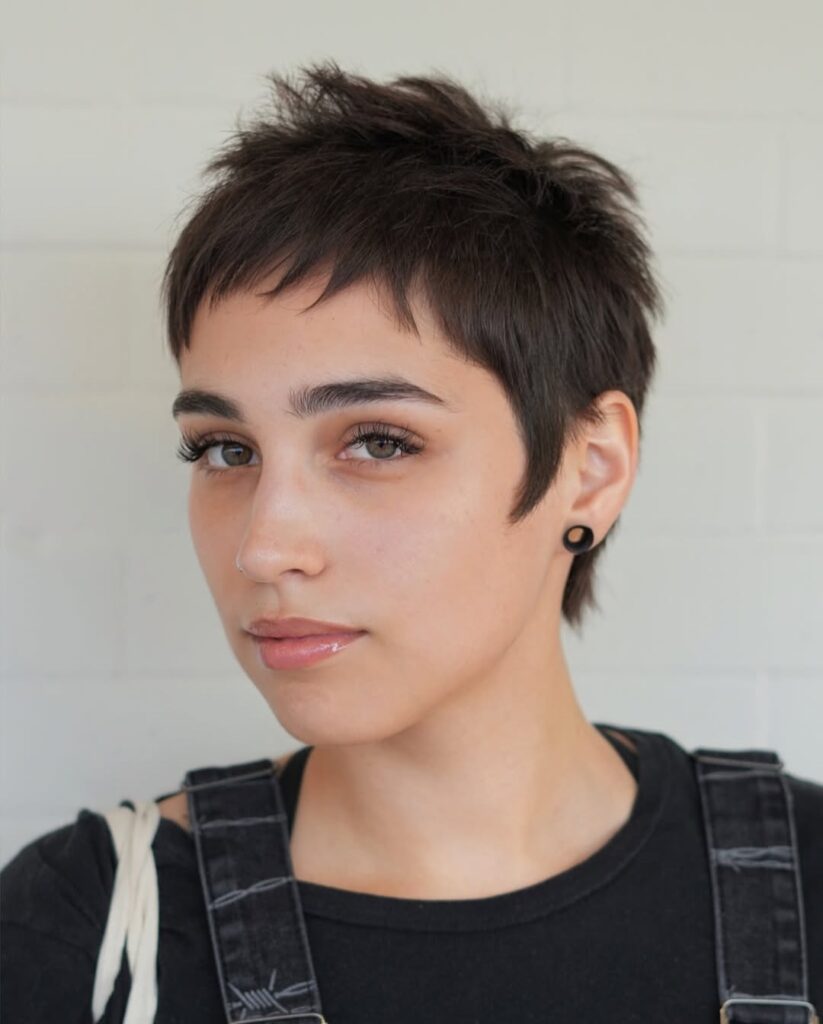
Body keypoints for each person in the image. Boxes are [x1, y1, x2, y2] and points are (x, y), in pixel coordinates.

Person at [2, 59, 821, 1023]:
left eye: (379, 442)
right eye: (225, 449)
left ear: (590, 468)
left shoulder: (807, 883)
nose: (264, 548)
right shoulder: (88, 933)